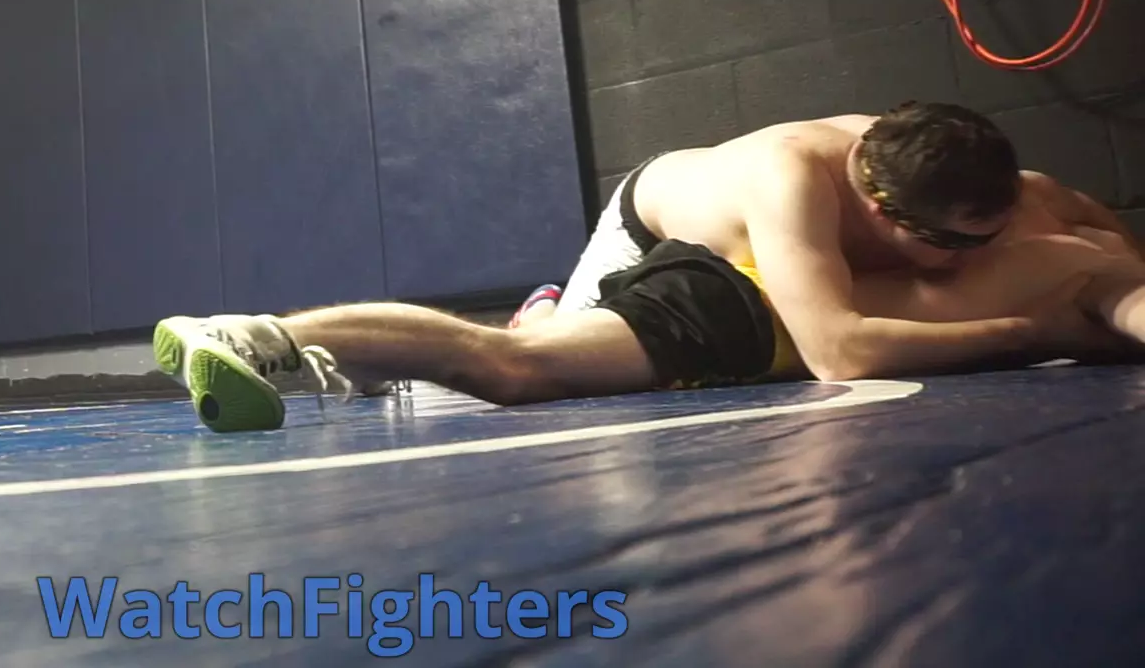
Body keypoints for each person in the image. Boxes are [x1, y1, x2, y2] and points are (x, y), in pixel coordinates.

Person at [152, 103, 1143, 432]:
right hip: (664, 237)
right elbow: (838, 351)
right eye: (956, 244)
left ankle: (320, 347)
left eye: (992, 230)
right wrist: (1037, 333)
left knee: (532, 370)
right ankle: (279, 337)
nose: (983, 250)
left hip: (750, 295)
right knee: (523, 368)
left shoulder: (1024, 200)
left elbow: (1121, 263)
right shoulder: (792, 181)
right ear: (883, 209)